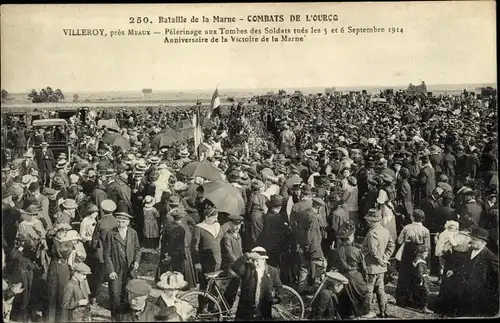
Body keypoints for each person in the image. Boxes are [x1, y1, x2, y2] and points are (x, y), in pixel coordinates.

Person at [327, 221, 372, 318]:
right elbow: (363, 269)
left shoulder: (334, 252)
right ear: (350, 238)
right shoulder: (356, 251)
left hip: (341, 279)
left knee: (343, 302)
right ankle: (360, 314)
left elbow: (329, 268)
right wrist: (365, 279)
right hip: (355, 279)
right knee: (362, 294)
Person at [103, 204, 141, 318]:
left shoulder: (133, 233)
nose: (120, 224)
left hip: (129, 270)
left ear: (128, 222)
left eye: (123, 222)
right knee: (115, 295)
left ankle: (127, 318)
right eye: (118, 221)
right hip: (116, 270)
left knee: (129, 295)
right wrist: (111, 270)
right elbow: (106, 254)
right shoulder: (111, 234)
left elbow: (137, 249)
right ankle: (115, 318)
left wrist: (137, 261)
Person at [230, 247, 283, 321]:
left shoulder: (272, 271)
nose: (255, 263)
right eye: (253, 260)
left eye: (257, 260)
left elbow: (279, 287)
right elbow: (234, 267)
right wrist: (247, 256)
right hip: (245, 313)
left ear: (264, 259)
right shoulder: (247, 269)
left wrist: (277, 298)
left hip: (263, 313)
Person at [457, 227, 499, 317]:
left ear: (483, 242)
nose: (470, 241)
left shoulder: (490, 257)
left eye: (474, 239)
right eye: (471, 238)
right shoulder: (470, 250)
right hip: (466, 290)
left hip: (479, 294)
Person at [362, 209, 395, 318]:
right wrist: (385, 258)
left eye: (369, 220)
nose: (367, 222)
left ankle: (368, 311)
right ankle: (383, 311)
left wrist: (380, 259)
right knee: (381, 290)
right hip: (382, 267)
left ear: (372, 221)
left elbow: (373, 250)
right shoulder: (385, 231)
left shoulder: (372, 233)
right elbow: (391, 245)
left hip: (371, 266)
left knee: (369, 290)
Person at [191, 207, 223, 311]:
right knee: (204, 284)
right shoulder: (199, 228)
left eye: (216, 218)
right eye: (213, 218)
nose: (216, 220)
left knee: (215, 283)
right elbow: (194, 246)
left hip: (217, 259)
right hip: (204, 260)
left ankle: (213, 305)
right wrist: (197, 262)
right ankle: (203, 307)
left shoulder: (218, 226)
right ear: (206, 217)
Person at [88, 199, 117, 302]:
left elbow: (95, 239)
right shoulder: (117, 221)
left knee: (98, 275)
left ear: (103, 210)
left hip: (102, 252)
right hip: (114, 251)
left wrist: (92, 249)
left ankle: (94, 296)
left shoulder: (100, 222)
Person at [220, 214, 244, 310]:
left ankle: (227, 309)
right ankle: (224, 310)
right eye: (235, 225)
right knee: (229, 291)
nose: (237, 227)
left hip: (237, 266)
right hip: (230, 267)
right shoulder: (227, 237)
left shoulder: (238, 235)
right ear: (230, 224)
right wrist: (239, 262)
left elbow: (240, 251)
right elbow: (229, 254)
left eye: (239, 225)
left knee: (234, 290)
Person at [408, 245, 433, 314]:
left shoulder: (416, 259)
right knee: (426, 293)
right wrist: (423, 279)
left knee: (417, 292)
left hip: (415, 280)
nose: (426, 255)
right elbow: (420, 272)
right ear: (420, 253)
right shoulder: (420, 263)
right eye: (425, 254)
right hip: (422, 280)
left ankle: (416, 304)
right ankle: (424, 308)